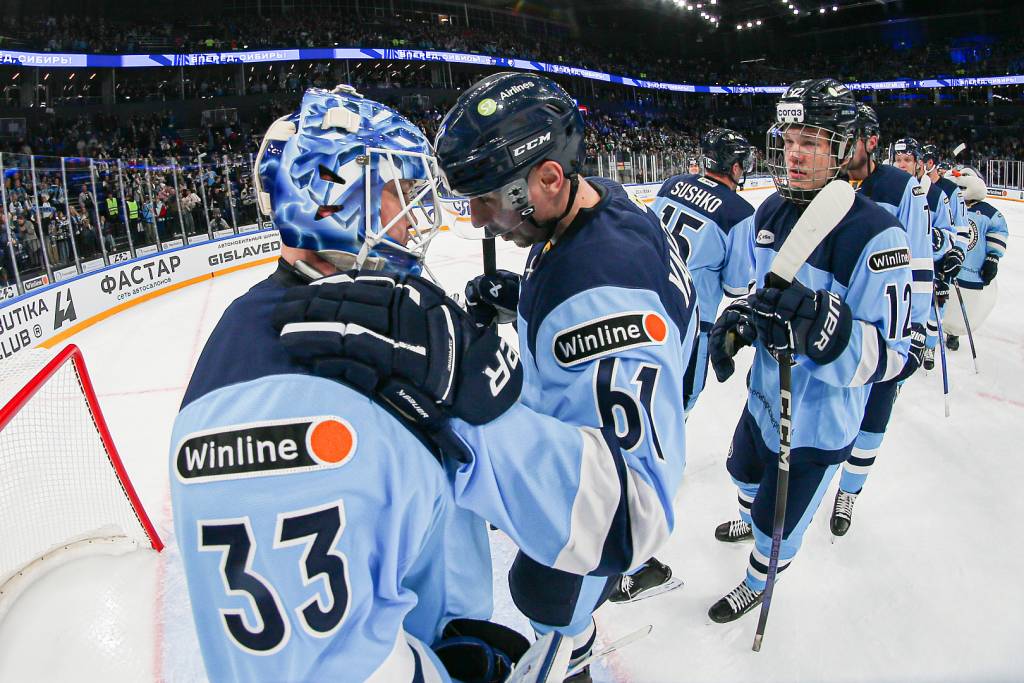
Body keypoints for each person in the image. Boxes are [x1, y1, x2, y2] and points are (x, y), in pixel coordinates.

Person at [276, 72, 699, 682]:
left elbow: (633, 509)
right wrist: (524, 299)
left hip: (597, 499)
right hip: (606, 410)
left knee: (542, 594)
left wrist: (468, 411)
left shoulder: (598, 295)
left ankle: (573, 651)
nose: (475, 219)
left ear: (548, 178)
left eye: (487, 198)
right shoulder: (595, 206)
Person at [169, 85, 523, 683]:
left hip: (436, 633)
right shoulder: (260, 392)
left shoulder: (398, 302)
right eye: (397, 189)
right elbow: (313, 664)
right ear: (332, 198)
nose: (415, 210)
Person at [706, 78, 912, 623]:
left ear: (842, 148)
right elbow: (763, 296)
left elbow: (893, 356)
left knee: (777, 530)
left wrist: (829, 334)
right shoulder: (769, 212)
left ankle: (758, 579)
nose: (794, 154)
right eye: (789, 140)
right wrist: (744, 320)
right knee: (741, 474)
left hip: (816, 424)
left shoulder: (876, 234)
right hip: (763, 401)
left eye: (812, 142)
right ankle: (750, 520)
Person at [605, 127, 757, 603]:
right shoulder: (739, 213)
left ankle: (617, 488)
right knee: (663, 419)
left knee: (629, 406)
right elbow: (737, 286)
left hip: (639, 306)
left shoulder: (671, 184)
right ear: (735, 166)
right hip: (688, 323)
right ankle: (629, 538)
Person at [827, 105, 932, 536]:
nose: (838, 145)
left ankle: (849, 490)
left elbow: (919, 259)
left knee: (873, 416)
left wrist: (918, 327)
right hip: (835, 317)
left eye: (848, 137)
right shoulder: (828, 181)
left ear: (871, 142)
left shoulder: (903, 187)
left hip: (887, 323)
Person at [891, 139, 957, 371]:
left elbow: (950, 234)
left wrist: (936, 238)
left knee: (927, 317)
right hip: (893, 276)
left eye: (907, 160)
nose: (901, 165)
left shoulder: (937, 196)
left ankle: (929, 345)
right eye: (898, 160)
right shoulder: (887, 190)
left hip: (925, 275)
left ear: (919, 163)